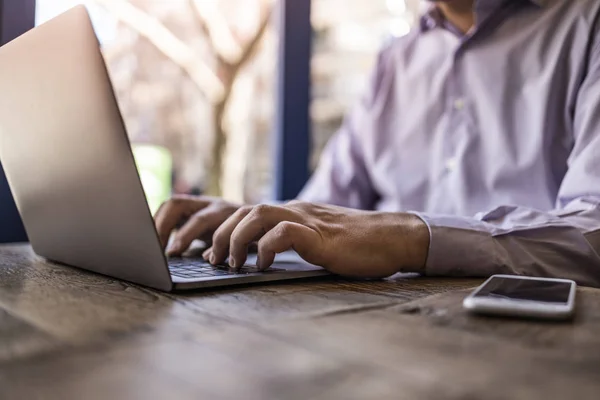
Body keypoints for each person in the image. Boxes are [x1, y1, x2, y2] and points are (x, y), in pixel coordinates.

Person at [154, 0, 600, 287]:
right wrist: (250, 224)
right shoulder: (396, 59)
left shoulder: (588, 25)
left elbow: (594, 233)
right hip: (381, 328)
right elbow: (321, 209)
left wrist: (408, 238)